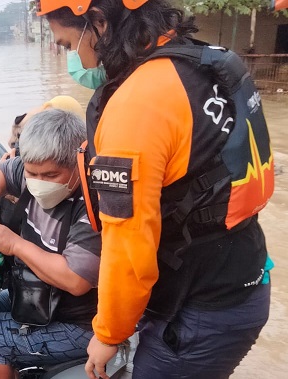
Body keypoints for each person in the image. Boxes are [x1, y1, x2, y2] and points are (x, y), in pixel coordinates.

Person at [36, 1, 275, 378]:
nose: (74, 59)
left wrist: (109, 333)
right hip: (245, 272)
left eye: (68, 44)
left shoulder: (137, 102)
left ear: (98, 23)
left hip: (199, 308)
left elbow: (128, 245)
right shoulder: (206, 61)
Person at [0, 109, 101, 379]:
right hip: (36, 296)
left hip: (81, 321)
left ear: (78, 163)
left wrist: (14, 244)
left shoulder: (93, 203)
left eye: (50, 176)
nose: (38, 183)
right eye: (33, 174)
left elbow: (76, 281)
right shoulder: (30, 168)